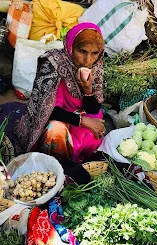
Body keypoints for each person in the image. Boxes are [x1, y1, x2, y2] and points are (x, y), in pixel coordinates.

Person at [15, 22, 106, 163]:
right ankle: (59, 166)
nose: (88, 61)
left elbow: (93, 108)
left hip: (78, 117)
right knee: (56, 131)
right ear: (70, 47)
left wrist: (88, 90)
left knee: (96, 129)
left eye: (94, 53)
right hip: (52, 118)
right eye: (82, 52)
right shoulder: (53, 64)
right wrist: (82, 121)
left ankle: (76, 159)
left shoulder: (96, 66)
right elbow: (45, 110)